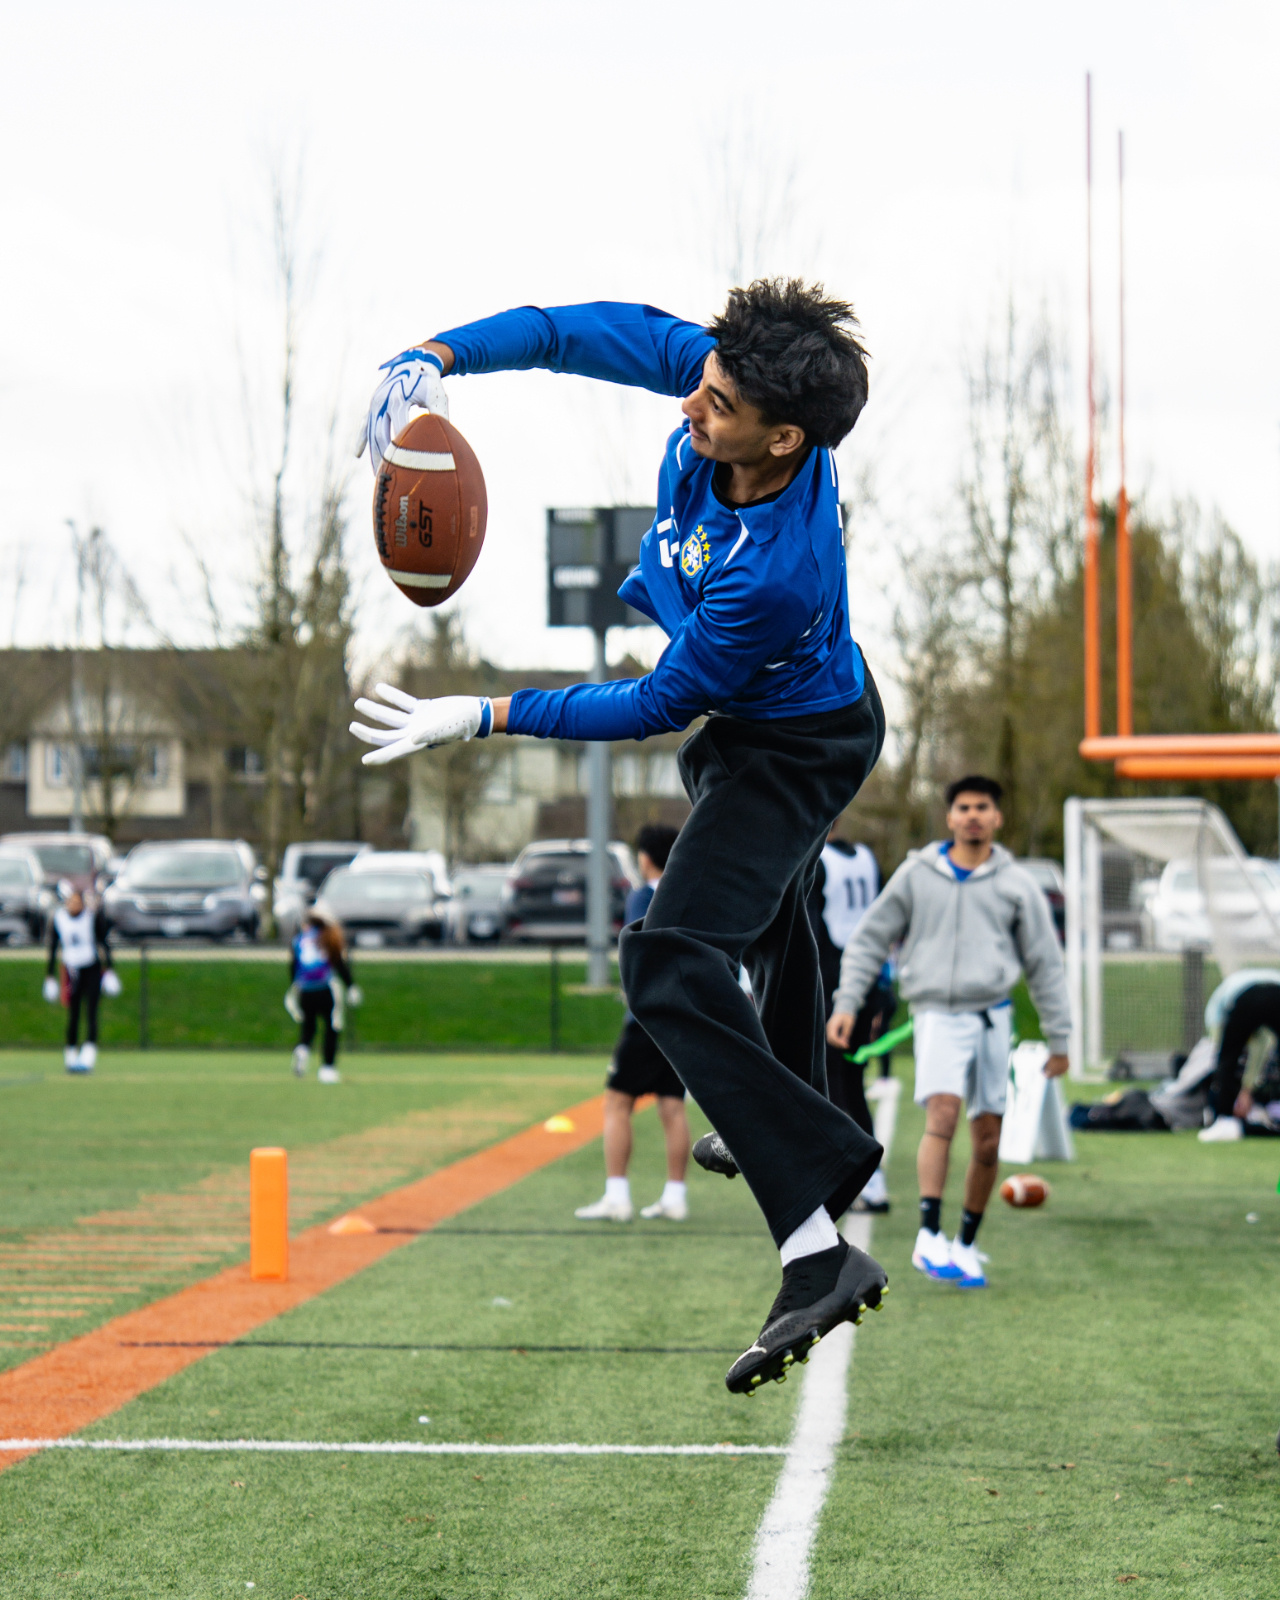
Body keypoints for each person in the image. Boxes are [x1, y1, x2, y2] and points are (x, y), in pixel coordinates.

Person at [350, 280, 888, 1394]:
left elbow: (655, 704)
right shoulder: (725, 378)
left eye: (720, 404)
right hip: (761, 726)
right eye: (703, 379)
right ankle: (798, 1115)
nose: (694, 401)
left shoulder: (774, 573)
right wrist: (436, 357)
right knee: (776, 921)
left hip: (798, 745)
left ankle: (815, 1247)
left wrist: (486, 713)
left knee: (667, 960)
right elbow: (568, 334)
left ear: (784, 439)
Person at [828, 776, 1070, 1289]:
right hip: (936, 1012)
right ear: (950, 817)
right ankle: (928, 1234)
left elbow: (1045, 964)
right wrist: (847, 1002)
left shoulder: (1016, 884)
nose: (973, 815)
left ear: (996, 817)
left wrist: (1060, 1036)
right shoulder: (917, 874)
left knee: (988, 1139)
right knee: (942, 1113)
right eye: (963, 807)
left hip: (993, 1017)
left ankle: (966, 1242)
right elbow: (869, 939)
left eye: (982, 807)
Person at [575, 823, 691, 1223]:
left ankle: (617, 1196)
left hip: (647, 1016)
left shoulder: (643, 896)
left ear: (645, 857)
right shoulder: (689, 896)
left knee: (617, 1102)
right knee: (672, 1106)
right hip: (683, 1017)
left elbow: (641, 951)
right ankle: (675, 1197)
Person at [805, 827, 895, 1211]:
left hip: (835, 987)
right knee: (847, 1084)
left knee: (836, 1087)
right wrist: (883, 992)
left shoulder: (816, 863)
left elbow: (809, 934)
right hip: (866, 982)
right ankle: (867, 1179)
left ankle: (862, 1177)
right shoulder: (867, 858)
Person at [1196, 968, 1280, 1142]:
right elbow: (1261, 1046)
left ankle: (1224, 1120)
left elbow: (1222, 1051)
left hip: (1246, 996)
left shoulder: (1217, 1009)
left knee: (1227, 1058)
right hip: (1277, 993)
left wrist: (1244, 1090)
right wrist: (1247, 1089)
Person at [43, 888, 119, 1074]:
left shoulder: (91, 917)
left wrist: (110, 970)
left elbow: (103, 943)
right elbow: (53, 947)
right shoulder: (59, 919)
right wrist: (50, 976)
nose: (74, 905)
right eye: (71, 902)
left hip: (91, 967)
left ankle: (88, 1057)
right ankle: (70, 1055)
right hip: (72, 970)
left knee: (91, 1012)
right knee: (73, 1014)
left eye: (78, 902)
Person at [286, 912, 361, 1084]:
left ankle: (303, 1050)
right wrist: (351, 986)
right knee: (332, 1026)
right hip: (325, 988)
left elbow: (293, 966)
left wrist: (295, 985)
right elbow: (339, 963)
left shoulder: (299, 940)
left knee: (308, 1026)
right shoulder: (327, 938)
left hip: (304, 990)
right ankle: (327, 1068)